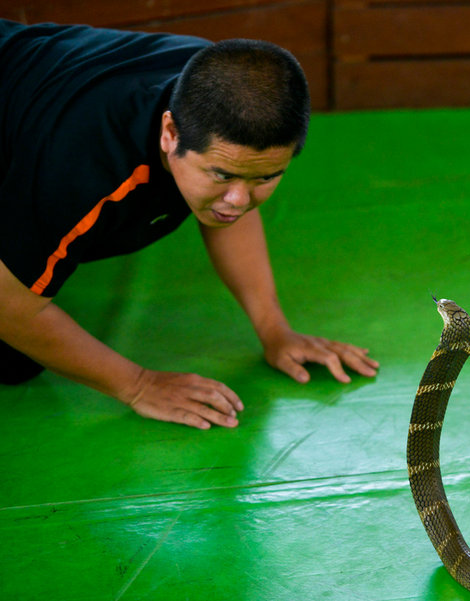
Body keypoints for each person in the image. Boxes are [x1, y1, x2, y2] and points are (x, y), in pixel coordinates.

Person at [0, 20, 379, 429]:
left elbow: (229, 215)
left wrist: (275, 330)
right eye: (221, 175)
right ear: (169, 133)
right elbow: (7, 305)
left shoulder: (217, 84)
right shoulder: (83, 172)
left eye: (264, 178)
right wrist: (139, 385)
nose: (239, 199)